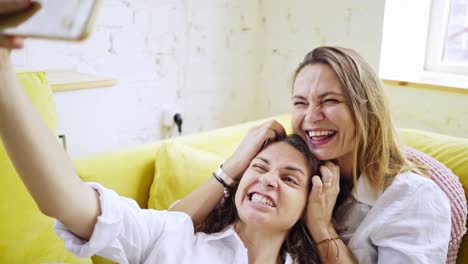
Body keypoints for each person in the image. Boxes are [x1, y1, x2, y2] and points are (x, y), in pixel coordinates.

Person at [0, 45, 325, 263]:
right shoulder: (173, 239)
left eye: (289, 178)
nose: (268, 180)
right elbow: (64, 200)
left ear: (309, 203)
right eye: (259, 167)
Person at [170, 46, 452, 263]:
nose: (311, 117)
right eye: (300, 103)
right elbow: (167, 229)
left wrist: (321, 227)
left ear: (366, 110)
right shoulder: (291, 171)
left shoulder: (414, 199)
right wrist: (233, 165)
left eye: (329, 101)